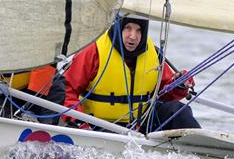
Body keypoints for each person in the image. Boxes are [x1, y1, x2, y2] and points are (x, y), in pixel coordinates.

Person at [62, 13, 201, 132]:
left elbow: (166, 93)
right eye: (128, 28)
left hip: (141, 124)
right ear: (118, 27)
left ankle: (204, 149)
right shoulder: (94, 50)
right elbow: (66, 91)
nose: (133, 36)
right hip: (97, 125)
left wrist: (179, 85)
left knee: (178, 111)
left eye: (139, 30)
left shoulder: (153, 53)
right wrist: (79, 123)